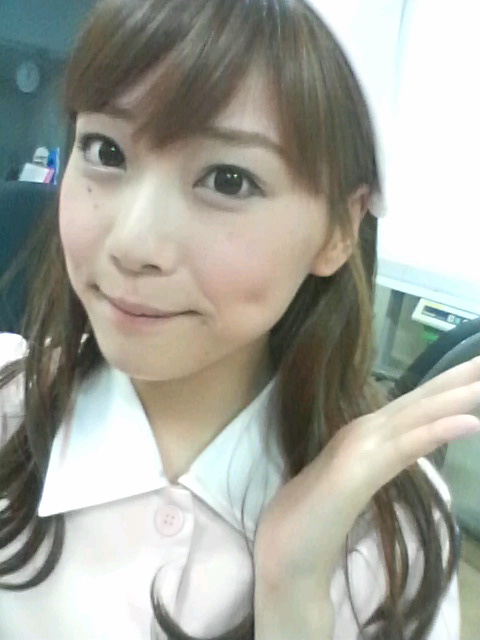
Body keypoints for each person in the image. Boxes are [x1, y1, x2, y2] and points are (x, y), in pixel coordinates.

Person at [0, 0, 478, 638]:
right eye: (106, 150)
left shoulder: (392, 532)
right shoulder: (8, 405)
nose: (134, 244)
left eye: (228, 180)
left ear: (340, 229)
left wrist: (294, 595)